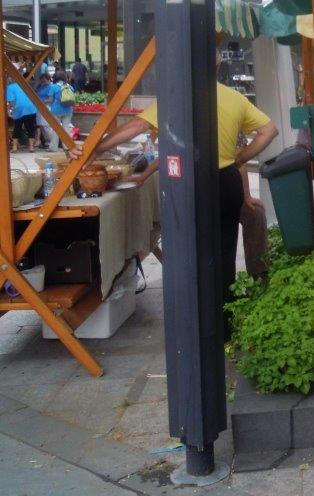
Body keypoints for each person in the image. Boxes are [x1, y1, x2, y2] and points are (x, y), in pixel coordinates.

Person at [71, 82, 278, 334]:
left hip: (188, 183)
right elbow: (269, 130)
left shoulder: (177, 94)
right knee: (224, 253)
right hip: (225, 180)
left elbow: (137, 126)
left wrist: (96, 148)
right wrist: (240, 158)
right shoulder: (234, 97)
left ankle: (191, 325)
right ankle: (222, 327)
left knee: (187, 253)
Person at [6, 79, 39, 152]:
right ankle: (31, 147)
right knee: (31, 128)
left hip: (19, 108)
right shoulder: (26, 84)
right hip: (31, 107)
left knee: (17, 128)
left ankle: (14, 147)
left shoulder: (10, 87)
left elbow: (12, 102)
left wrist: (8, 110)